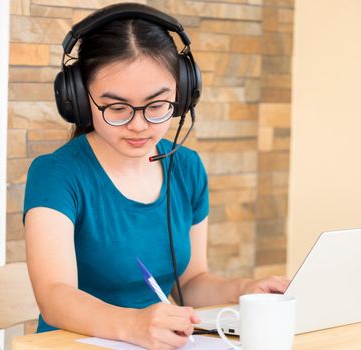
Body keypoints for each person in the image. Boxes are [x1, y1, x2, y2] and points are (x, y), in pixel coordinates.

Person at [23, 3, 288, 350]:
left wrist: (245, 290)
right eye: (116, 108)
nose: (138, 124)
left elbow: (190, 282)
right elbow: (55, 297)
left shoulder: (188, 168)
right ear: (79, 100)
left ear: (182, 95)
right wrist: (133, 324)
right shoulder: (56, 174)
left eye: (157, 105)